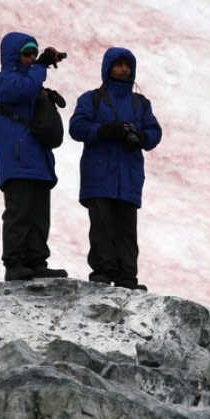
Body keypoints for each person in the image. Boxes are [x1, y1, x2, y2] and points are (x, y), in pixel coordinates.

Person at [68, 47, 162, 290]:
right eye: (119, 65)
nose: (124, 69)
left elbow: (155, 133)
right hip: (99, 175)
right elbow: (77, 127)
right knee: (102, 225)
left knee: (127, 230)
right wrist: (105, 130)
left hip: (128, 177)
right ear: (108, 67)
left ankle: (127, 278)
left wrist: (141, 136)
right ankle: (101, 274)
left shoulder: (141, 103)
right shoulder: (92, 99)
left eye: (127, 65)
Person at [0, 31, 68, 281]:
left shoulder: (35, 82)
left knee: (38, 215)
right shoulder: (5, 80)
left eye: (34, 54)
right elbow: (22, 89)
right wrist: (42, 66)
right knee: (19, 212)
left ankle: (36, 262)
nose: (31, 58)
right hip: (17, 160)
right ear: (13, 55)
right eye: (27, 53)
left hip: (37, 160)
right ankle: (14, 264)